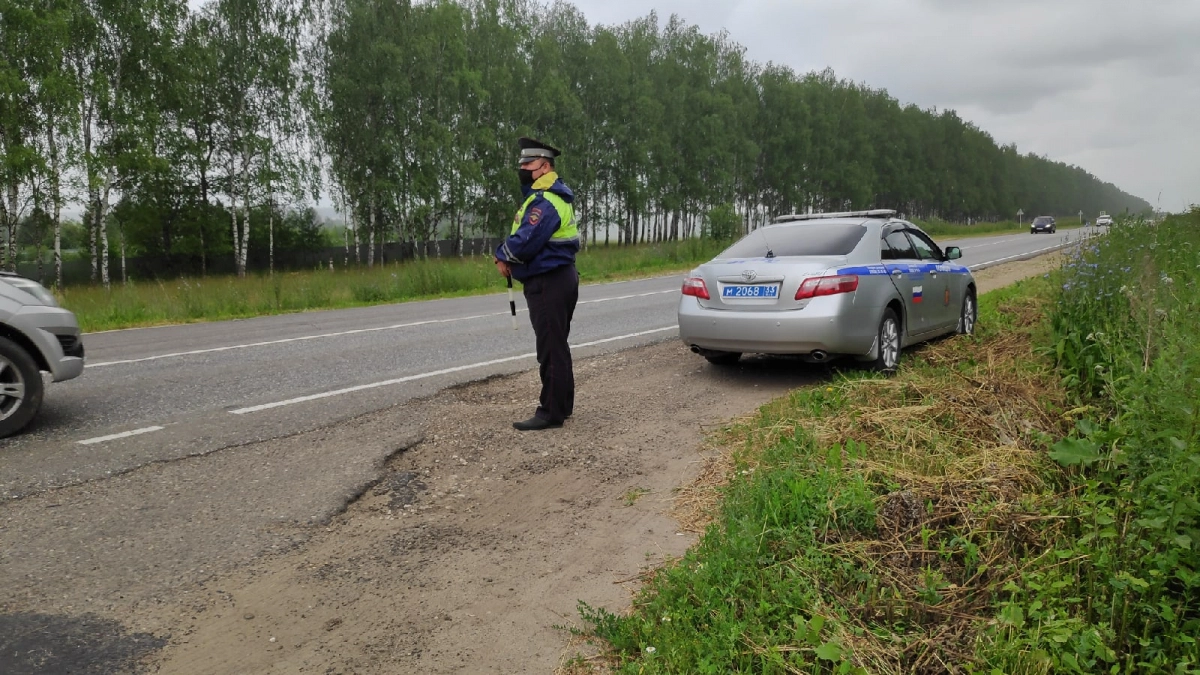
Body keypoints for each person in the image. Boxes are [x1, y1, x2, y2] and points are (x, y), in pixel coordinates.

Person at [494, 137, 581, 431]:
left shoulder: (546, 201)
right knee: (557, 345)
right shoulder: (547, 196)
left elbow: (526, 241)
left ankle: (550, 413)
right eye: (521, 163)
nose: (523, 169)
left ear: (545, 166)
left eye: (528, 164)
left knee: (550, 349)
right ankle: (562, 405)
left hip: (548, 281)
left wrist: (502, 254)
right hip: (558, 277)